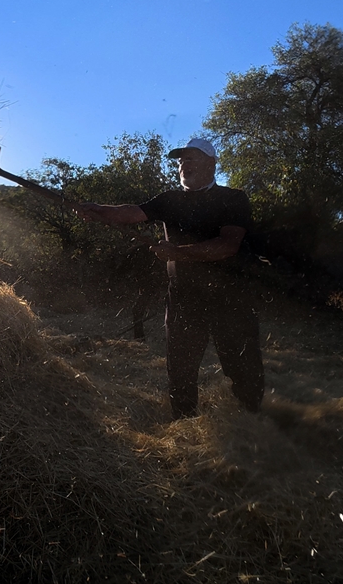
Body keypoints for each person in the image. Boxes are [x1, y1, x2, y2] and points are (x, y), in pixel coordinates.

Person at [76, 138, 263, 419]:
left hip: (230, 297)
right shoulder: (169, 200)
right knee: (180, 369)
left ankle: (253, 422)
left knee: (242, 366)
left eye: (192, 159)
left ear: (212, 164)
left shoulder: (232, 199)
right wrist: (98, 210)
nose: (184, 165)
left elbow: (227, 246)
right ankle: (184, 425)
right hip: (184, 296)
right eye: (180, 161)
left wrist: (176, 252)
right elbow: (131, 212)